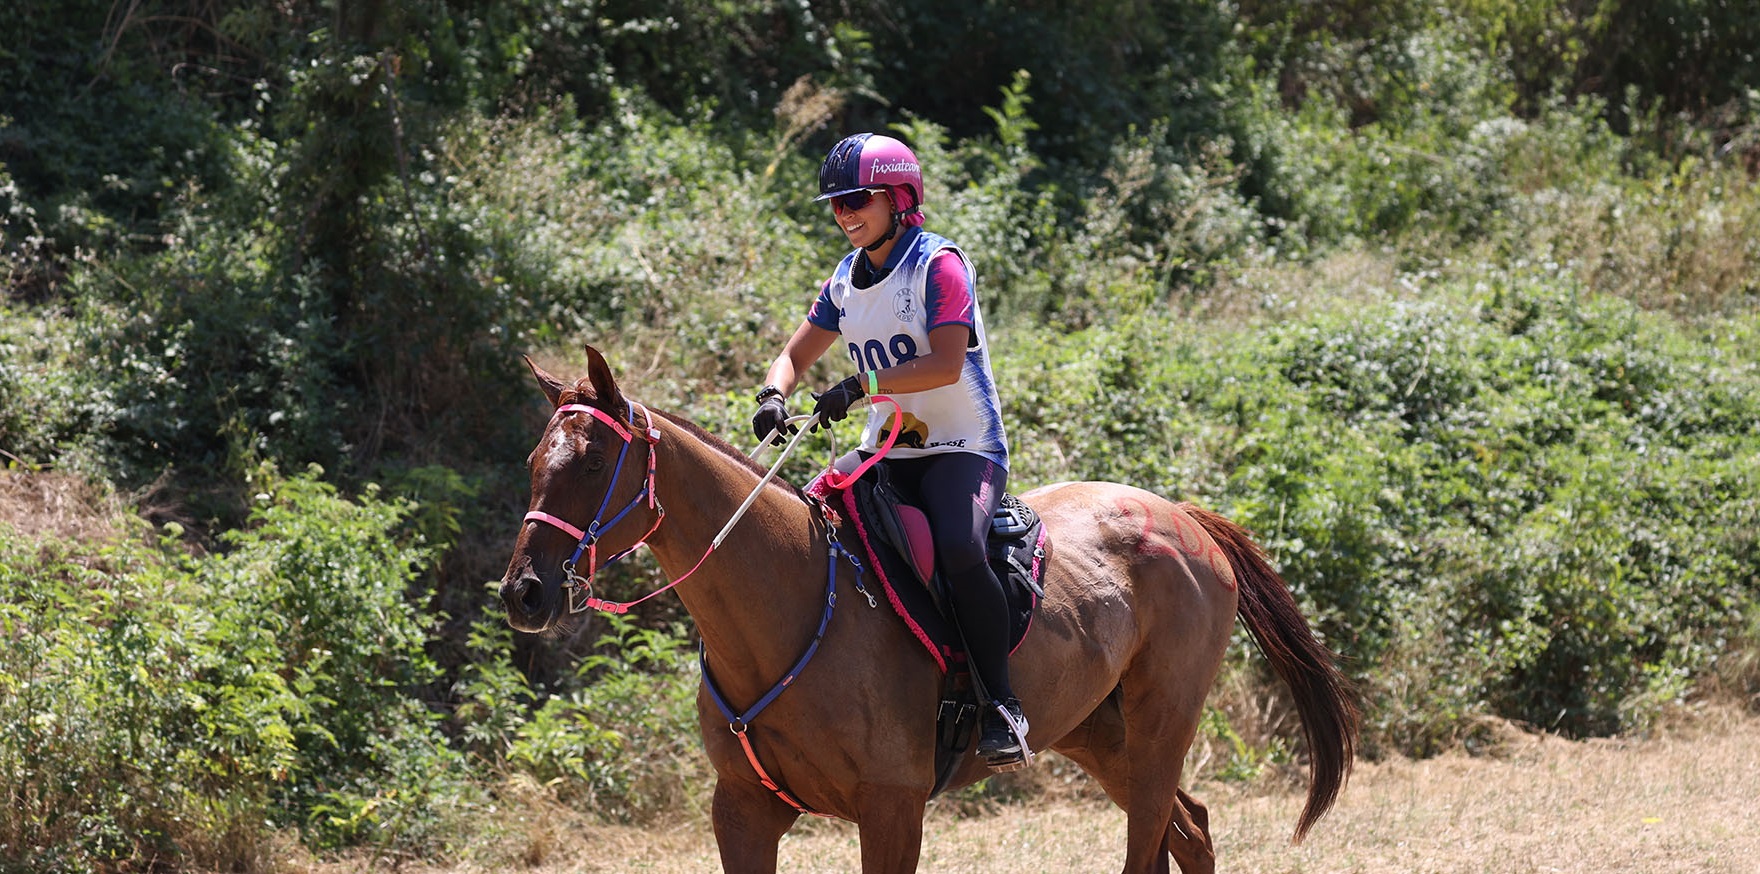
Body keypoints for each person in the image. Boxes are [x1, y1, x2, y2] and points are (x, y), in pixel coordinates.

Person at [751, 132, 1029, 768]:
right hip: (886, 450)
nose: (845, 213)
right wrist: (773, 392)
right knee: (806, 524)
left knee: (959, 547)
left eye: (857, 199)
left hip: (962, 448)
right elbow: (795, 354)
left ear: (900, 197)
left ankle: (1001, 704)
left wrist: (857, 385)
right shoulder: (846, 281)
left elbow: (946, 363)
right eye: (836, 204)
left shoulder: (940, 265)